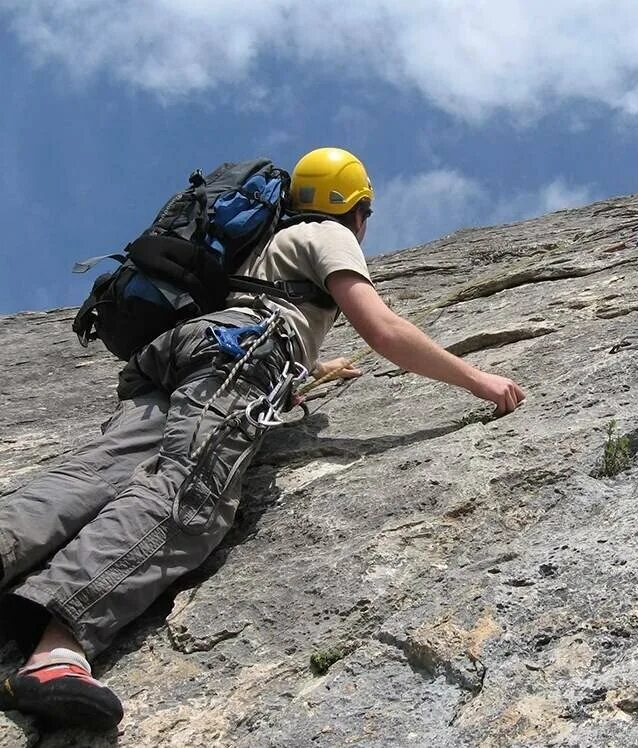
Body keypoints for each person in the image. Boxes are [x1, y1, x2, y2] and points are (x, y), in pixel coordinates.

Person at [0, 147, 525, 731]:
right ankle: (55, 651)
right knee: (188, 495)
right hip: (239, 356)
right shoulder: (328, 234)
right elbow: (383, 328)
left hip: (178, 352)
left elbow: (265, 313)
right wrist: (481, 380)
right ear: (353, 205)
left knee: (92, 477)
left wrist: (317, 369)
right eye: (366, 213)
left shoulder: (260, 243)